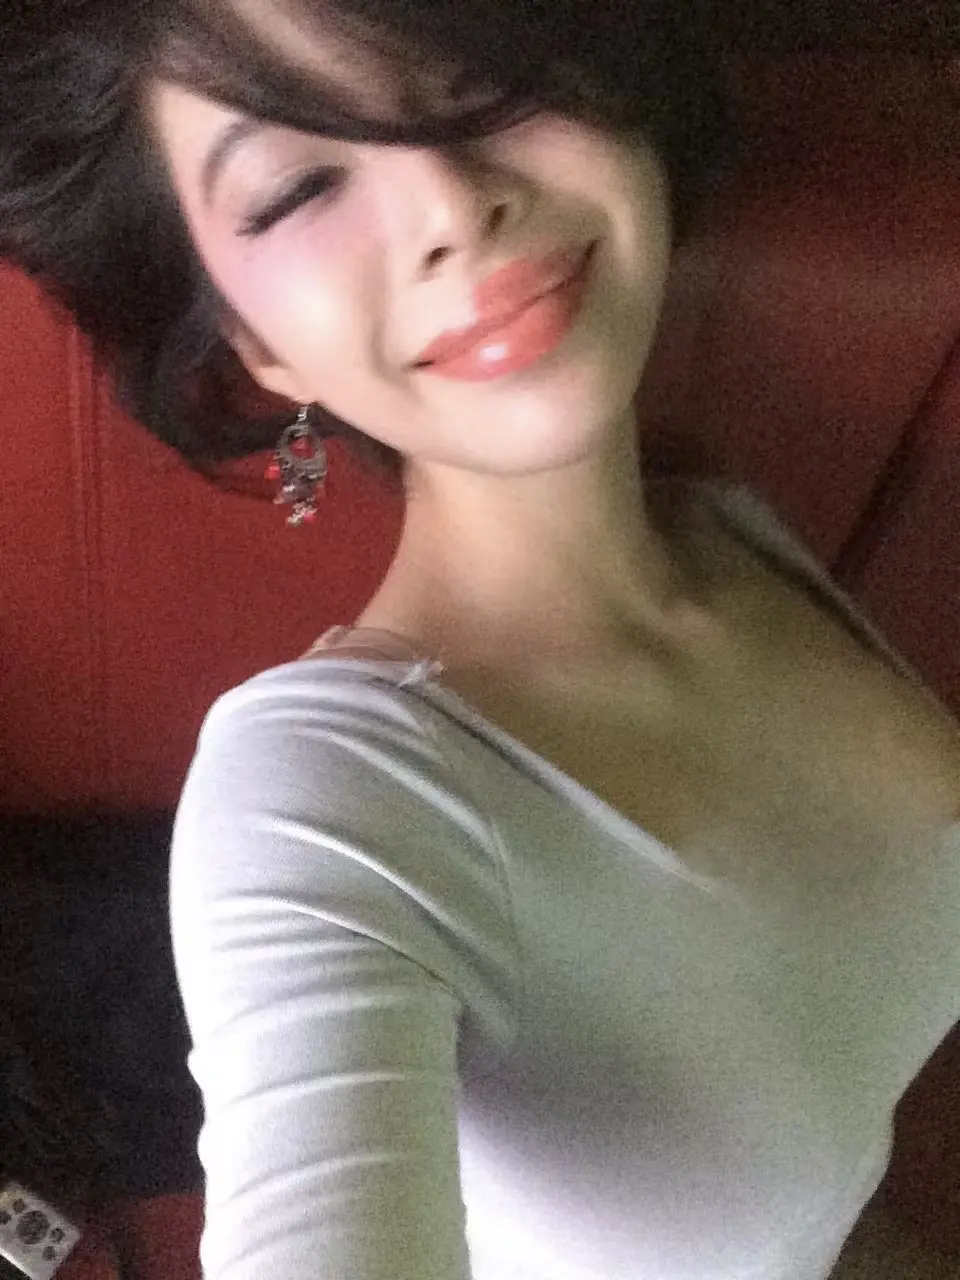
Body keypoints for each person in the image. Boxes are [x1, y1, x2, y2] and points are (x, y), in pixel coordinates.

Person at [2, 2, 958, 1277]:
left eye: (474, 75)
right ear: (256, 346)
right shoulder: (318, 791)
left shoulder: (732, 532)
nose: (450, 202)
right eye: (297, 188)